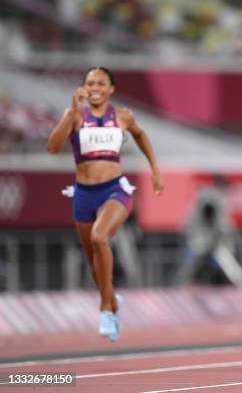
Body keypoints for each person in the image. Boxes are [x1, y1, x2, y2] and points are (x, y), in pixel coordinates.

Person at [47, 67, 164, 342]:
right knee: (93, 262)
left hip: (114, 191)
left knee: (100, 238)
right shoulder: (74, 115)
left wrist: (155, 170)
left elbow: (140, 135)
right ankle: (112, 298)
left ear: (111, 88)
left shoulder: (122, 116)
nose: (95, 87)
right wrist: (71, 111)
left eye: (101, 83)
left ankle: (105, 310)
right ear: (84, 88)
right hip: (83, 194)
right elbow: (52, 147)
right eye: (90, 83)